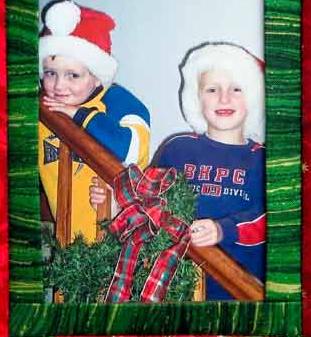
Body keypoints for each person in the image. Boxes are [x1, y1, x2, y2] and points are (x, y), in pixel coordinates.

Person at [90, 42, 266, 300]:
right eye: (212, 89)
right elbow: (148, 202)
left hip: (235, 287)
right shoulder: (178, 148)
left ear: (252, 97)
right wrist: (115, 204)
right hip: (171, 285)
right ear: (197, 97)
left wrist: (223, 229)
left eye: (236, 89)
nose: (224, 98)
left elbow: (267, 219)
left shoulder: (261, 158)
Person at [39, 0, 150, 243]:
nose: (59, 85)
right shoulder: (43, 109)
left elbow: (131, 148)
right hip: (68, 240)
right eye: (50, 73)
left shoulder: (118, 101)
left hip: (120, 239)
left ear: (97, 77)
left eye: (73, 75)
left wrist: (78, 115)